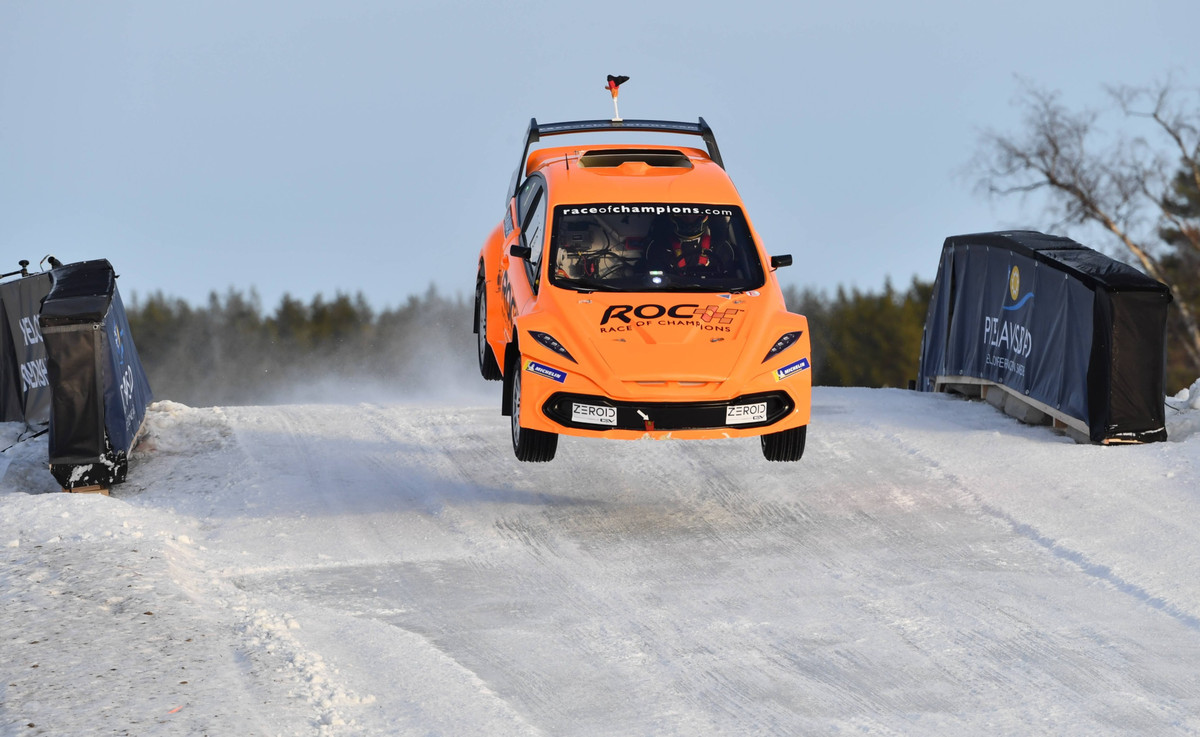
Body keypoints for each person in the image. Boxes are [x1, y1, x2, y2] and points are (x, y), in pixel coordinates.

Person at [643, 212, 736, 277]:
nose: (689, 219)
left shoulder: (720, 247)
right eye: (682, 214)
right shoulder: (658, 248)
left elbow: (733, 280)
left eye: (696, 213)